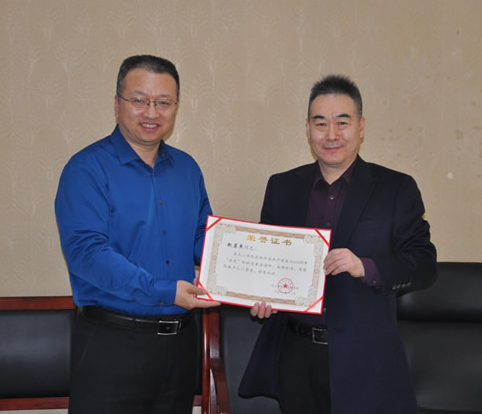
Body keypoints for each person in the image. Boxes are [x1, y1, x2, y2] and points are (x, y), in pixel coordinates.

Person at [239, 75, 437, 414]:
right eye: (320, 123)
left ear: (361, 127)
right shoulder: (282, 187)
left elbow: (423, 264)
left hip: (366, 360)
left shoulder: (395, 188)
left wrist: (365, 266)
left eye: (342, 122)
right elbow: (267, 262)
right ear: (308, 129)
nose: (331, 134)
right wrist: (261, 296)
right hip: (296, 356)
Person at [55, 54, 219, 414]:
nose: (151, 112)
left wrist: (249, 282)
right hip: (113, 346)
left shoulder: (187, 169)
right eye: (139, 100)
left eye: (164, 102)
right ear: (117, 104)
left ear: (176, 108)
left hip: (180, 345)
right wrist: (163, 290)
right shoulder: (86, 170)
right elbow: (87, 254)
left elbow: (203, 241)